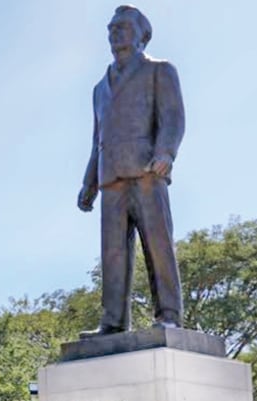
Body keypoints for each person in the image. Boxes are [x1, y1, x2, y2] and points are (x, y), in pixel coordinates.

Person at [77, 4, 186, 336]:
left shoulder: (159, 71)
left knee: (158, 244)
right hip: (110, 178)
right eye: (111, 27)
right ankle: (112, 321)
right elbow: (98, 138)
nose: (115, 31)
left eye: (122, 26)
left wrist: (166, 153)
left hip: (146, 171)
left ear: (142, 34)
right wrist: (88, 183)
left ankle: (168, 313)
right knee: (111, 254)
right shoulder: (99, 88)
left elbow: (173, 118)